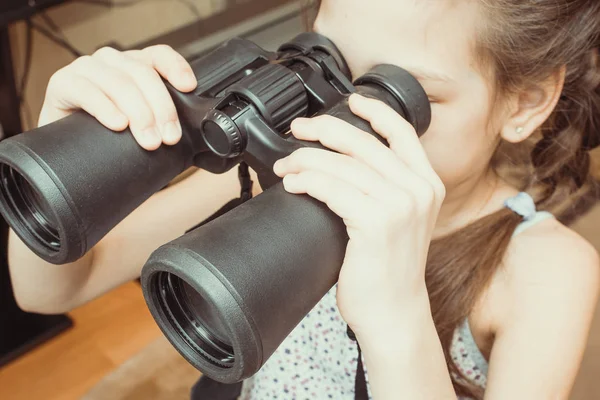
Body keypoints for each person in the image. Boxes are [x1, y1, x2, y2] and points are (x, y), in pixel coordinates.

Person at [7, 0, 600, 398]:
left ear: (523, 103)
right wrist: (56, 155)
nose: (339, 115)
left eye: (399, 96)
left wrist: (397, 318)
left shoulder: (546, 269)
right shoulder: (290, 169)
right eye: (327, 64)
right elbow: (51, 290)